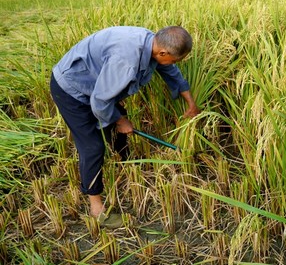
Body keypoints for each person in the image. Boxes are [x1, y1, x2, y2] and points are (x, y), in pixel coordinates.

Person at [50, 26, 200, 218]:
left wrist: (190, 102)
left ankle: (126, 162)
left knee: (116, 119)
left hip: (96, 82)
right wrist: (120, 121)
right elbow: (100, 101)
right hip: (71, 88)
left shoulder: (153, 42)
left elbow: (170, 70)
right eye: (175, 59)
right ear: (162, 52)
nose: (174, 63)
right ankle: (96, 208)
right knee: (93, 147)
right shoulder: (127, 61)